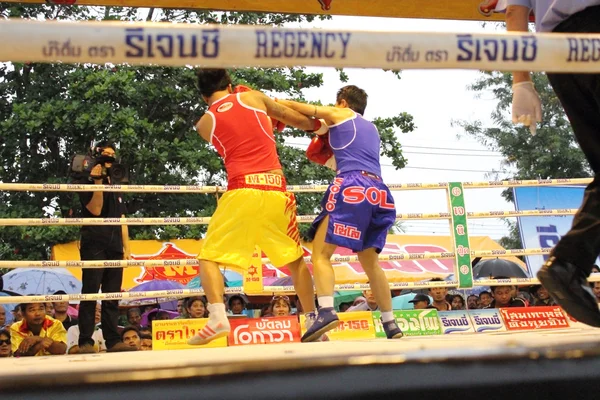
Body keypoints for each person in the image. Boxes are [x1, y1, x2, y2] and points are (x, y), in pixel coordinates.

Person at [187, 69, 327, 345]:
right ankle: (313, 322)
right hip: (276, 190)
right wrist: (322, 129)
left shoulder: (204, 124)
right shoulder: (254, 99)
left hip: (242, 190)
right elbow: (299, 121)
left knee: (208, 257)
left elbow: (231, 129)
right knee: (295, 260)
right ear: (229, 84)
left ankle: (217, 317)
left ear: (204, 96)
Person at [277, 86, 404, 342]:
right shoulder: (372, 129)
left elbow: (304, 110)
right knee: (370, 262)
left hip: (351, 185)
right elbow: (338, 151)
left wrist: (272, 103)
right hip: (378, 190)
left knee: (321, 254)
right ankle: (390, 323)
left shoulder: (341, 114)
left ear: (342, 103)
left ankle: (325, 311)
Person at [504, 1, 600, 326]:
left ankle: (569, 263)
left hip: (556, 55)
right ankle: (568, 263)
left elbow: (514, 12)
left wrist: (521, 80)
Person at [76, 141, 135, 352]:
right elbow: (95, 209)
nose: (108, 160)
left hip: (115, 245)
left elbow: (122, 217)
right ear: (95, 155)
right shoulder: (85, 180)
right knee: (90, 293)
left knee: (112, 296)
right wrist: (98, 181)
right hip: (94, 243)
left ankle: (113, 340)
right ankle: (85, 341)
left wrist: (127, 249)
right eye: (104, 155)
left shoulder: (117, 182)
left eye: (112, 156)